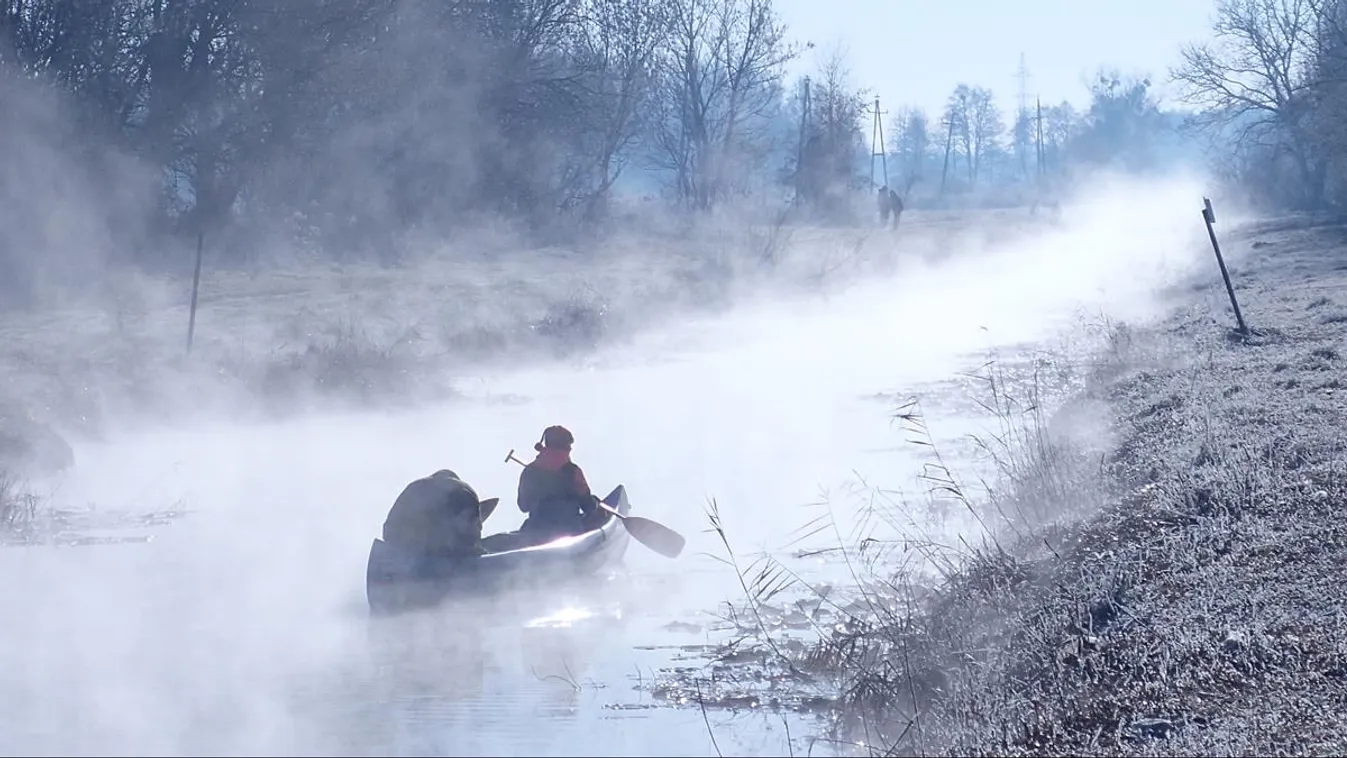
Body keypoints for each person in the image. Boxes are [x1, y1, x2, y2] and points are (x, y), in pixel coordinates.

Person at [381, 469, 500, 560]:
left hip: (402, 553)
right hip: (437, 552)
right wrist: (479, 553)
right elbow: (472, 530)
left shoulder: (414, 488)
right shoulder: (463, 490)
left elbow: (389, 530)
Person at [516, 425, 597, 541]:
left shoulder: (529, 471)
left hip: (536, 531)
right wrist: (594, 504)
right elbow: (588, 506)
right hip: (570, 531)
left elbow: (523, 506)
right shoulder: (573, 471)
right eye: (569, 446)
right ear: (565, 447)